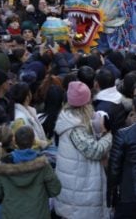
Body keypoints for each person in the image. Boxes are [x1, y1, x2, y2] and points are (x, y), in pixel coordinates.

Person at [53, 81, 113, 218]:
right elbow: (95, 151)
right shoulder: (75, 126)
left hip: (75, 183)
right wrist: (107, 136)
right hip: (79, 188)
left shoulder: (69, 117)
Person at [0, 126, 62, 219]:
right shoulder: (43, 165)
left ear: (15, 142)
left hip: (12, 214)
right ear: (33, 141)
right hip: (38, 213)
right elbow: (55, 189)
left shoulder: (3, 165)